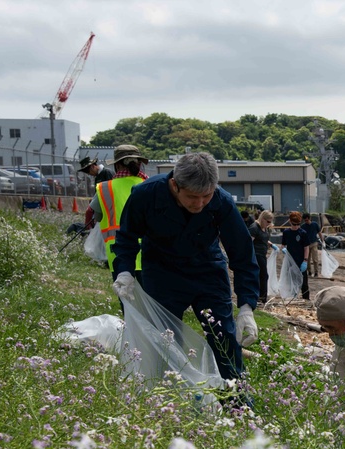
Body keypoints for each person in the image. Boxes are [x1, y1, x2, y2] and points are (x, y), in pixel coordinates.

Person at [111, 152, 260, 382]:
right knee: (164, 339)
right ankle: (165, 396)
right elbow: (127, 237)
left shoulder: (222, 202)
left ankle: (236, 399)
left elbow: (242, 255)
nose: (199, 204)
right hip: (162, 272)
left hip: (207, 270)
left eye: (206, 196)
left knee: (224, 337)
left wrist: (247, 306)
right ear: (175, 185)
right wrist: (125, 271)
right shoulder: (146, 195)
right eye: (192, 197)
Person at [86, 145, 150, 288]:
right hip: (150, 255)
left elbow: (96, 215)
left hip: (120, 257)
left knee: (127, 302)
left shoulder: (105, 188)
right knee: (152, 304)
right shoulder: (150, 185)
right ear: (139, 164)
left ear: (117, 165)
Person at [280, 211, 311, 300]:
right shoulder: (286, 232)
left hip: (301, 261)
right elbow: (283, 245)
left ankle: (306, 299)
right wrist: (283, 249)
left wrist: (305, 260)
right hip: (290, 261)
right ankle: (292, 298)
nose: (296, 226)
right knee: (290, 281)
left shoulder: (303, 233)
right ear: (290, 222)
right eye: (294, 224)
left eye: (298, 224)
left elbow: (306, 247)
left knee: (304, 283)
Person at [248, 210, 275, 304]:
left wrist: (270, 244)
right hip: (256, 254)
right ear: (262, 219)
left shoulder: (265, 228)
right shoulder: (255, 228)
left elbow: (263, 238)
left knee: (262, 276)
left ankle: (261, 296)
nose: (269, 224)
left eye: (270, 222)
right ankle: (262, 298)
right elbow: (248, 242)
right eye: (268, 222)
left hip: (263, 254)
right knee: (263, 275)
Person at [303, 212, 324, 278]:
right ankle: (309, 271)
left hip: (314, 243)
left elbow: (319, 232)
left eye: (307, 220)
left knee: (315, 259)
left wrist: (322, 240)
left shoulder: (315, 224)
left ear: (310, 219)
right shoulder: (303, 226)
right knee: (307, 259)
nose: (306, 222)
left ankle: (316, 272)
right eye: (305, 220)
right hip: (306, 245)